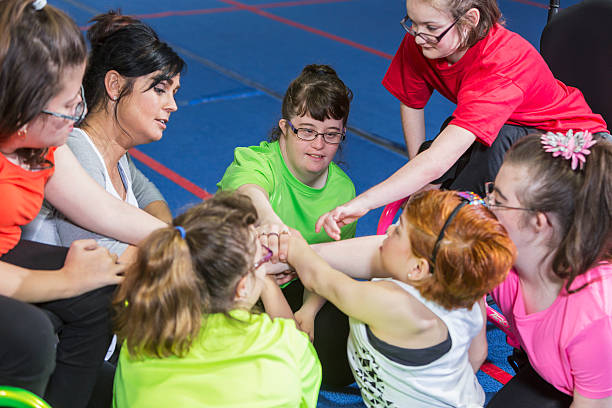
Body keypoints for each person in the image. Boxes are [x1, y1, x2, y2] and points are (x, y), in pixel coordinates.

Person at [315, 0, 609, 241]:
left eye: (430, 27)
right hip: (515, 130)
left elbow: (441, 159)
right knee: (448, 141)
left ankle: (456, 239)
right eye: (412, 22)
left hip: (576, 145)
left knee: (483, 147)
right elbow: (412, 102)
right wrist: (423, 180)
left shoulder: (502, 63)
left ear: (469, 20)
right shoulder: (423, 41)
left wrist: (363, 203)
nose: (417, 36)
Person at [0, 1, 166, 407]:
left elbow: (102, 210)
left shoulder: (43, 142)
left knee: (97, 294)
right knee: (32, 337)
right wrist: (66, 281)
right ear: (22, 107)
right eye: (69, 107)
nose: (77, 116)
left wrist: (184, 239)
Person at [285, 189, 515, 407]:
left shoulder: (393, 304)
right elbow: (478, 353)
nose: (389, 229)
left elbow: (323, 281)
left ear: (417, 268)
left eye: (399, 231)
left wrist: (294, 246)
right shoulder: (467, 290)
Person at [112, 192, 321, 408]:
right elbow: (304, 381)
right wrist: (268, 285)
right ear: (241, 288)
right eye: (263, 258)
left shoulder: (142, 331)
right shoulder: (281, 342)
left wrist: (256, 273)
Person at [217, 64, 356, 386]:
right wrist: (269, 221)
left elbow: (329, 264)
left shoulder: (343, 190)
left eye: (331, 134)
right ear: (285, 127)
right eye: (306, 130)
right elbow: (249, 189)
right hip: (243, 284)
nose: (319, 144)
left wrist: (308, 311)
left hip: (300, 288)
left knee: (347, 340)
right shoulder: (255, 161)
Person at [22, 10, 184, 256]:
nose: (172, 105)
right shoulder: (76, 148)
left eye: (174, 93)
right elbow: (103, 255)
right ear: (114, 86)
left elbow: (149, 196)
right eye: (160, 89)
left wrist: (173, 238)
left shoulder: (118, 157)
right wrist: (179, 249)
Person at [484, 131, 612, 407]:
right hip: (559, 375)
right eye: (491, 190)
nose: (486, 204)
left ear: (539, 223)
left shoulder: (596, 318)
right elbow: (398, 250)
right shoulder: (503, 248)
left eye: (499, 199)